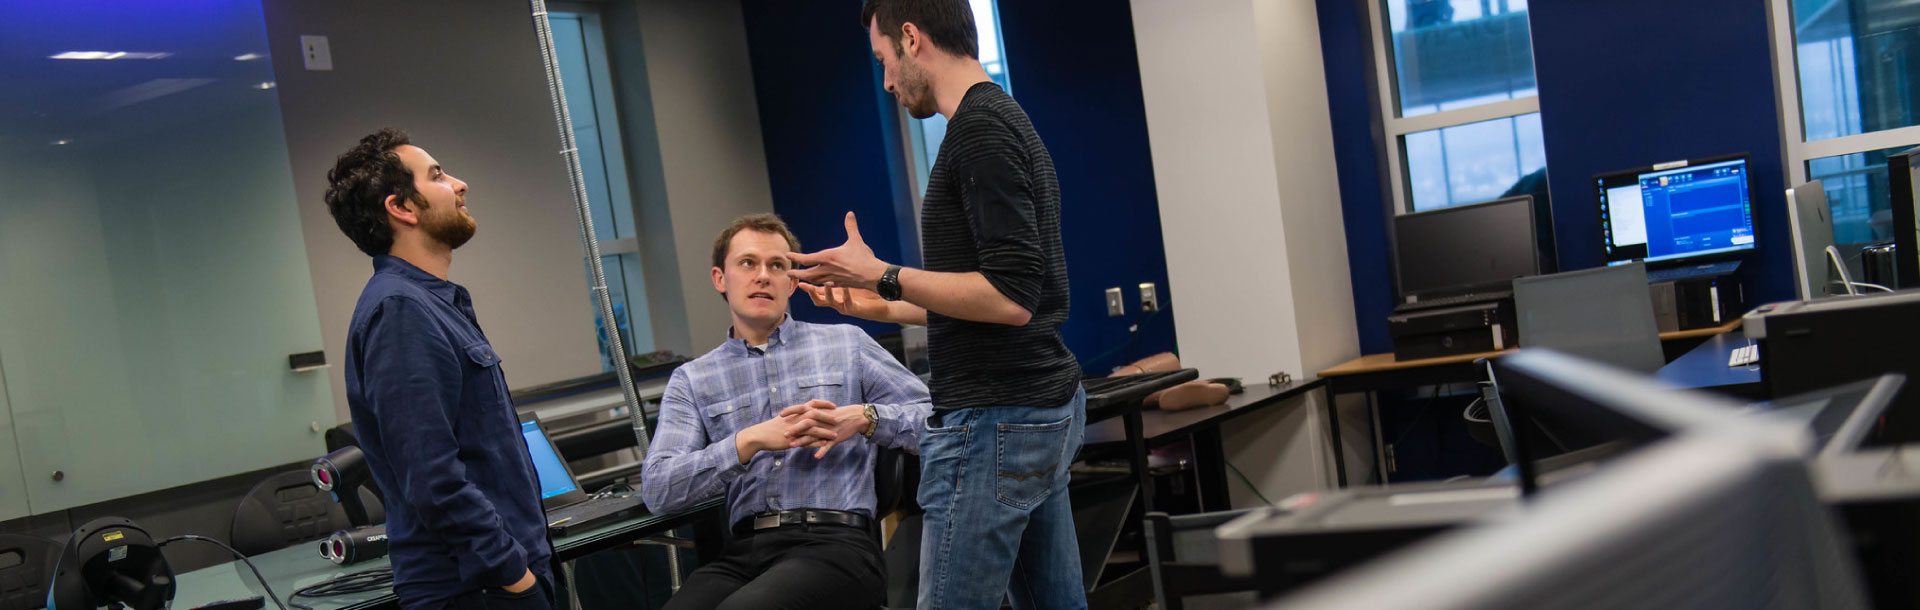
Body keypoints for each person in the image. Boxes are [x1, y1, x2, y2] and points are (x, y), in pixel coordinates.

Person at [787, 1, 1086, 607]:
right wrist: (883, 301)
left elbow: (1012, 298)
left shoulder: (978, 130)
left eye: (884, 62)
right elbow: (998, 295)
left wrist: (886, 272)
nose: (888, 81)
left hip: (995, 418)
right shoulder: (1002, 119)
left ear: (912, 38)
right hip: (1031, 405)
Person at [641, 214, 934, 610]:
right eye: (748, 263)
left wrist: (866, 418)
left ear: (792, 282)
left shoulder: (847, 345)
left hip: (838, 546)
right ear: (719, 278)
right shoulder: (693, 380)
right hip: (744, 551)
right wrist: (748, 441)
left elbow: (937, 421)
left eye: (777, 265)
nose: (763, 276)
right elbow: (660, 488)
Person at [326, 129, 554, 610]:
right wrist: (514, 576)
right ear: (402, 208)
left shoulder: (432, 303)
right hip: (475, 589)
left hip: (493, 579)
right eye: (437, 175)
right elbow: (432, 478)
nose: (459, 183)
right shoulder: (401, 312)